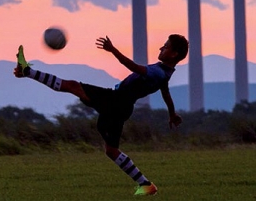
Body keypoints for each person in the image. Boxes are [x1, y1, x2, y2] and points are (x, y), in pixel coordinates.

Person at [13, 34, 188, 196]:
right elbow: (165, 92)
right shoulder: (164, 72)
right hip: (118, 104)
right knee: (111, 151)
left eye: (165, 47)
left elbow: (133, 67)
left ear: (173, 54)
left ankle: (27, 71)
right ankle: (146, 185)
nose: (160, 48)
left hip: (116, 102)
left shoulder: (158, 72)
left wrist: (113, 50)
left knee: (73, 86)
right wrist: (172, 113)